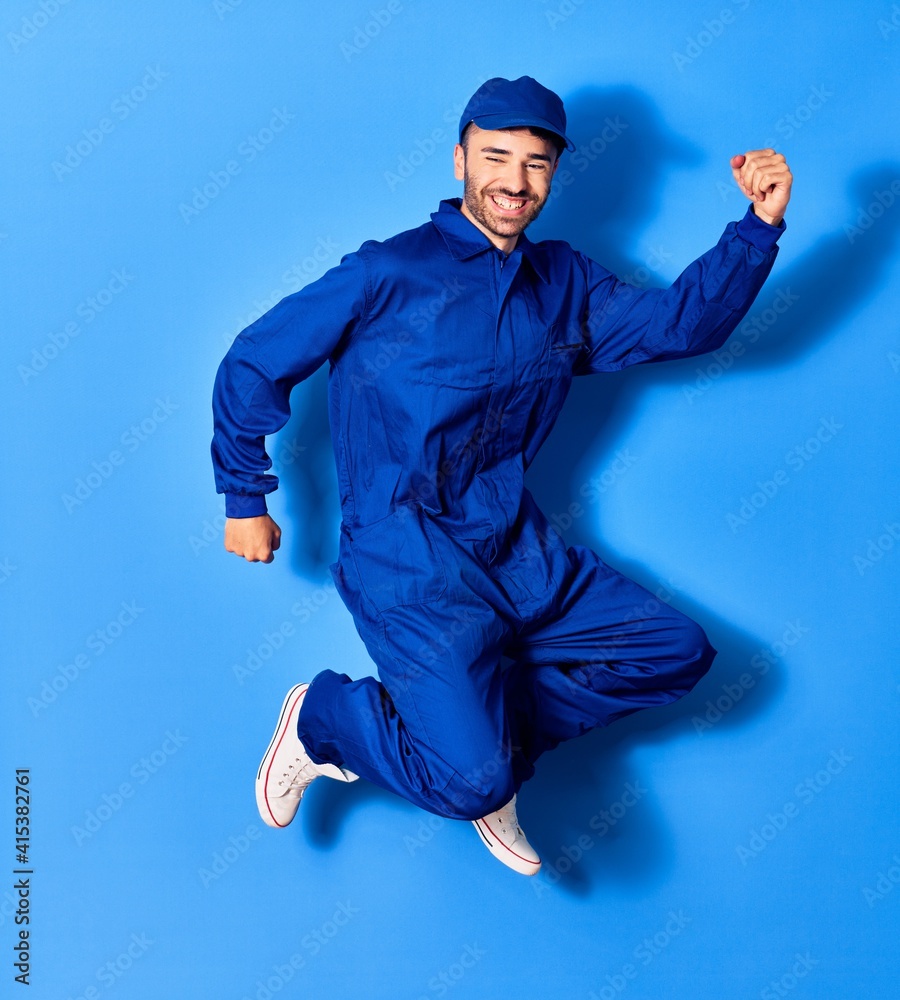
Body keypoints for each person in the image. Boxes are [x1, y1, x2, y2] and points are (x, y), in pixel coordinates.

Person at [210, 76, 792, 876]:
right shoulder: (387, 274)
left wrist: (756, 229)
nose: (514, 182)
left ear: (554, 173)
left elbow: (675, 326)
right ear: (459, 159)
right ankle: (328, 718)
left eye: (536, 164)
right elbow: (255, 359)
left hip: (520, 555)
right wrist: (246, 494)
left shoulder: (566, 283)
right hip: (408, 560)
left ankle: (493, 748)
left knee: (674, 651)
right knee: (466, 780)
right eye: (495, 157)